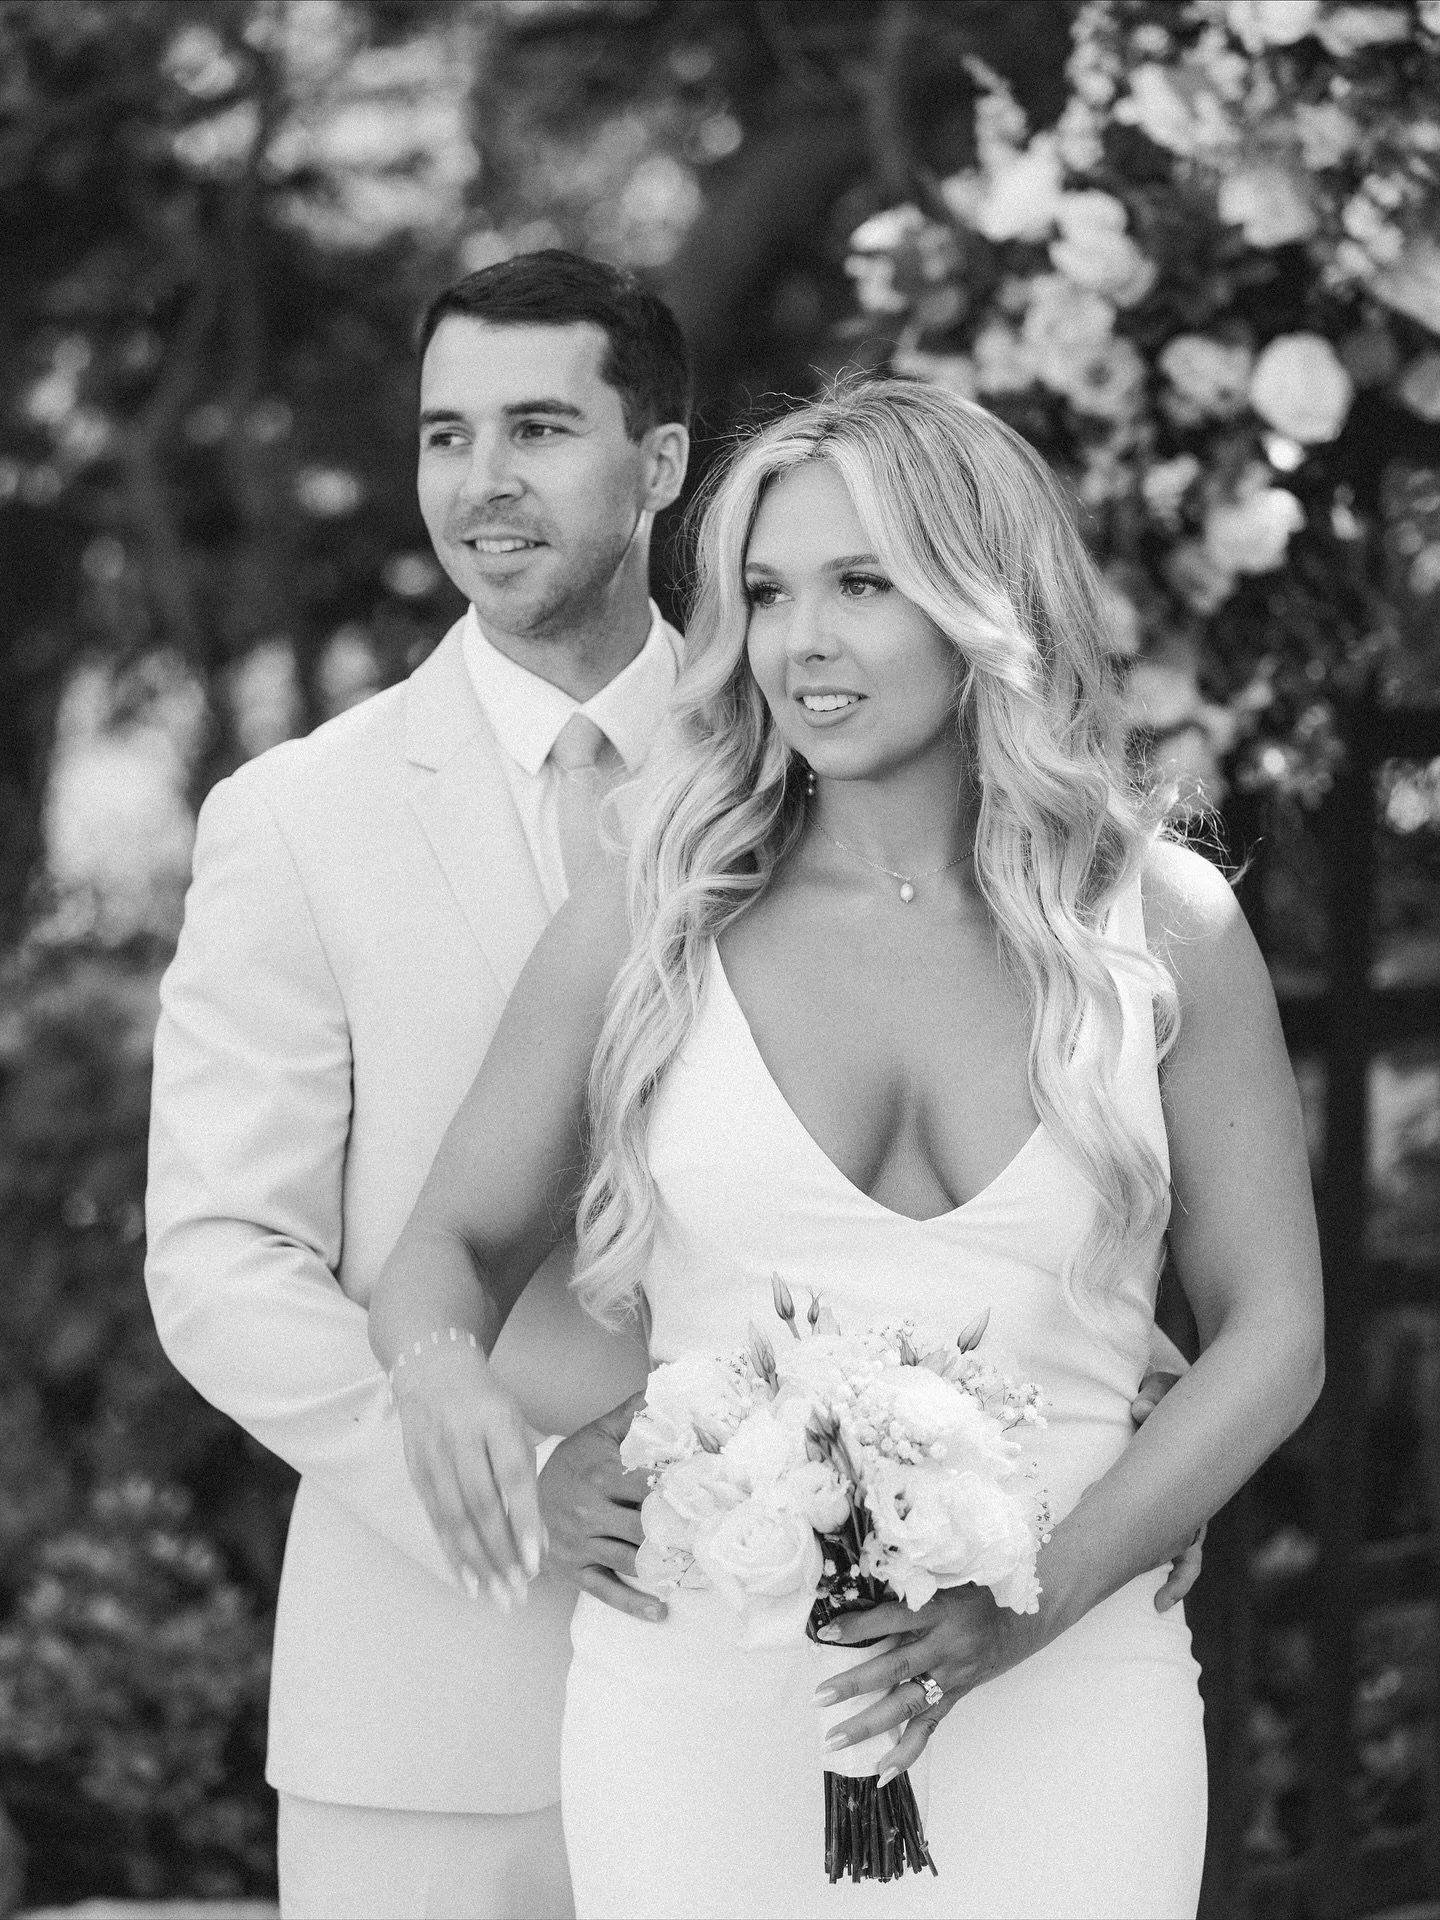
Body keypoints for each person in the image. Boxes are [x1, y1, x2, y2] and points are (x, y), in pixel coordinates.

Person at [369, 377, 1325, 1919]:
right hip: (696, 1709)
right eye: (762, 592)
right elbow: (446, 1254)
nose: (799, 640)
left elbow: (1275, 1336)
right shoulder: (656, 915)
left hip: (1077, 1690)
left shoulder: (1158, 929)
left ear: (979, 600)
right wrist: (481, 1419)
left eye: (861, 584)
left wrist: (1040, 1603)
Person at [144, 250, 693, 1919]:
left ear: (660, 462)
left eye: (539, 427)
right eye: (447, 435)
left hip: (773, 1685)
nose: (482, 483)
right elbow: (221, 1259)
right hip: (427, 1708)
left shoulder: (803, 770)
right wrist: (505, 1486)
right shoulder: (298, 817)